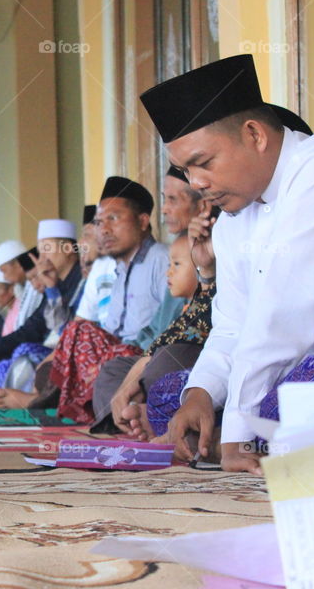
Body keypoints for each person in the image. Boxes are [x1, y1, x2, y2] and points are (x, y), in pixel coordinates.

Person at [136, 54, 314, 473]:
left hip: (312, 371)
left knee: (296, 399)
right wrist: (200, 395)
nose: (196, 183)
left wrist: (237, 431)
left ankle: (238, 440)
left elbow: (282, 315)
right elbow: (233, 325)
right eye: (186, 170)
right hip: (283, 373)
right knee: (173, 396)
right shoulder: (233, 219)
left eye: (203, 163)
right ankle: (236, 437)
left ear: (254, 134)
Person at [90, 167, 212, 432]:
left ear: (202, 205)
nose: (164, 209)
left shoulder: (205, 249)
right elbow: (160, 327)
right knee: (112, 369)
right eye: (164, 199)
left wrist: (144, 361)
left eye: (173, 200)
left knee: (166, 363)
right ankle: (128, 418)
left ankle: (145, 417)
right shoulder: (176, 254)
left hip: (196, 354)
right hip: (155, 351)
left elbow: (196, 324)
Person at [43, 177, 172, 423]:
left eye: (113, 219)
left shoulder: (161, 260)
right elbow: (109, 328)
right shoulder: (119, 268)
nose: (103, 230)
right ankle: (104, 409)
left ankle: (112, 414)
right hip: (118, 352)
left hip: (145, 354)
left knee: (102, 359)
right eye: (100, 222)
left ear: (143, 221)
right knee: (77, 332)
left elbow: (168, 326)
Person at [0, 220, 82, 395]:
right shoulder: (55, 285)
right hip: (59, 352)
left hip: (76, 354)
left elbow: (73, 332)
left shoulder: (83, 279)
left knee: (26, 354)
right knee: (9, 360)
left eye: (47, 248)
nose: (42, 258)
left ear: (68, 249)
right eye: (41, 251)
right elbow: (30, 329)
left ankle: (22, 399)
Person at [0, 240, 31, 336]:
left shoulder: (38, 286)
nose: (5, 277)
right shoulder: (20, 290)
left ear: (18, 265)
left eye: (4, 271)